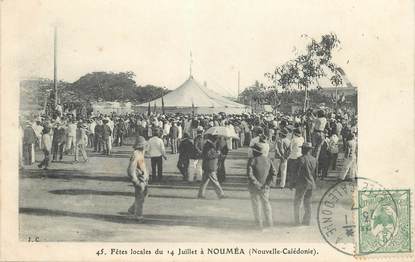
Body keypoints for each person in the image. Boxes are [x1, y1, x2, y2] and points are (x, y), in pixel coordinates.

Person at [247, 143, 277, 229]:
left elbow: (250, 175)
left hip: (254, 187)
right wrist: (267, 184)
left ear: (255, 151)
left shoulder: (251, 160)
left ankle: (258, 225)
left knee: (256, 206)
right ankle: (269, 223)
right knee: (266, 204)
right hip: (265, 188)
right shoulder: (268, 160)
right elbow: (274, 173)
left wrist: (257, 184)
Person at [291, 142, 317, 226]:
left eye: (302, 148)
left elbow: (296, 173)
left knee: (297, 203)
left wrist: (292, 183)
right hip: (311, 183)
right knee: (308, 203)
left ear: (304, 150)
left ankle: (297, 221)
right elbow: (315, 174)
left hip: (301, 183)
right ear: (310, 150)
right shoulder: (314, 159)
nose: (301, 150)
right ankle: (307, 221)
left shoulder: (300, 159)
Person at [127, 136, 148, 221]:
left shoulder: (141, 153)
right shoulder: (136, 154)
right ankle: (138, 216)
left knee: (144, 194)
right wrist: (135, 181)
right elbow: (130, 169)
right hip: (139, 179)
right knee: (140, 197)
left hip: (143, 178)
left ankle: (132, 209)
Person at [197, 134, 226, 199]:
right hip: (210, 166)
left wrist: (218, 154)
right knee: (215, 181)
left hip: (208, 165)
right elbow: (208, 155)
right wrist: (217, 154)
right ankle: (221, 194)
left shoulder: (209, 145)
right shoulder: (209, 146)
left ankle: (200, 194)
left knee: (204, 181)